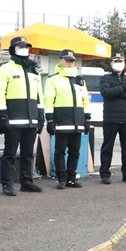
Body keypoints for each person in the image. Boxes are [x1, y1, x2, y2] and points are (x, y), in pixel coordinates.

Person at [0, 36, 44, 196]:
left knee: (28, 154)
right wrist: (2, 116)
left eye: (26, 46)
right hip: (13, 120)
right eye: (20, 46)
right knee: (10, 153)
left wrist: (41, 115)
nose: (25, 49)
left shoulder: (33, 70)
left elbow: (39, 94)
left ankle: (26, 182)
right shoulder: (5, 68)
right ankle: (7, 184)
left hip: (31, 120)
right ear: (13, 49)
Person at [44, 49, 90, 189]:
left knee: (75, 152)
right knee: (60, 152)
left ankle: (71, 178)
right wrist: (50, 120)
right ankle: (61, 178)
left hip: (77, 121)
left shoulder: (80, 80)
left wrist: (87, 118)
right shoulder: (53, 79)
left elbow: (85, 100)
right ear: (60, 61)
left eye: (72, 61)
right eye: (67, 60)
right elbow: (48, 100)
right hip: (62, 121)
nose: (70, 63)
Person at [98, 52, 126, 185]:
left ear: (125, 63)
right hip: (110, 118)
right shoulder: (105, 78)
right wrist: (123, 89)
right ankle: (105, 174)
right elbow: (106, 93)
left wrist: (118, 91)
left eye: (121, 61)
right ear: (110, 64)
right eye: (115, 61)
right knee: (107, 147)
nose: (118, 64)